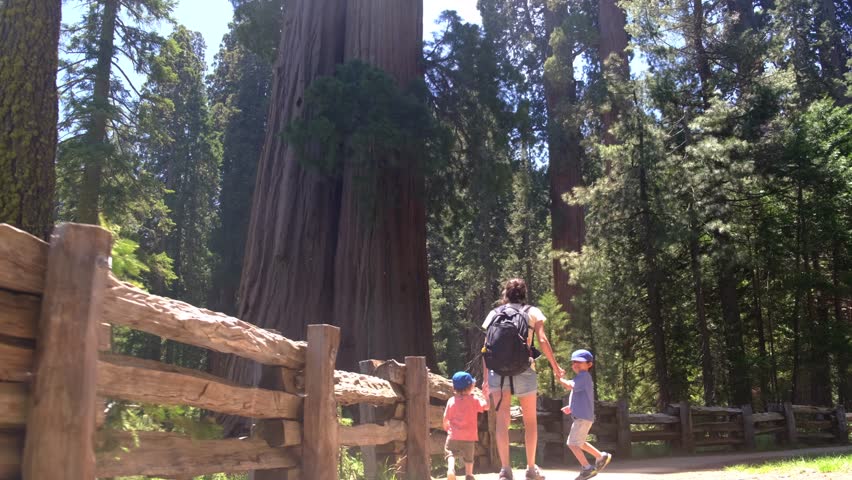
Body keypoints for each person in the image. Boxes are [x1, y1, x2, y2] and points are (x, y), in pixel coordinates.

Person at [481, 278, 565, 480]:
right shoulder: (532, 312)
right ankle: (530, 468)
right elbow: (542, 340)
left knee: (502, 421)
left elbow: (486, 347)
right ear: (524, 293)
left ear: (505, 294)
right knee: (530, 421)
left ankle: (505, 469)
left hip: (498, 373)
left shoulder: (494, 314)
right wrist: (556, 367)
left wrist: (485, 379)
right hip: (525, 370)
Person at [559, 349, 612, 479]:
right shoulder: (582, 378)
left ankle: (587, 468)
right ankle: (600, 456)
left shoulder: (584, 376)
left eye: (580, 362)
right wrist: (571, 407)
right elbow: (581, 396)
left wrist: (559, 378)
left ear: (589, 364)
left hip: (582, 418)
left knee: (572, 444)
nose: (576, 364)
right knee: (580, 443)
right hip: (583, 417)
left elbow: (569, 386)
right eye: (574, 362)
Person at [443, 371, 489, 480]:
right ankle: (469, 475)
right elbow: (486, 407)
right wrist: (486, 395)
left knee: (450, 453)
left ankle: (451, 469)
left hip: (454, 435)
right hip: (469, 437)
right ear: (470, 387)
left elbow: (446, 417)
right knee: (469, 458)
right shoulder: (474, 400)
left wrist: (445, 425)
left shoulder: (451, 401)